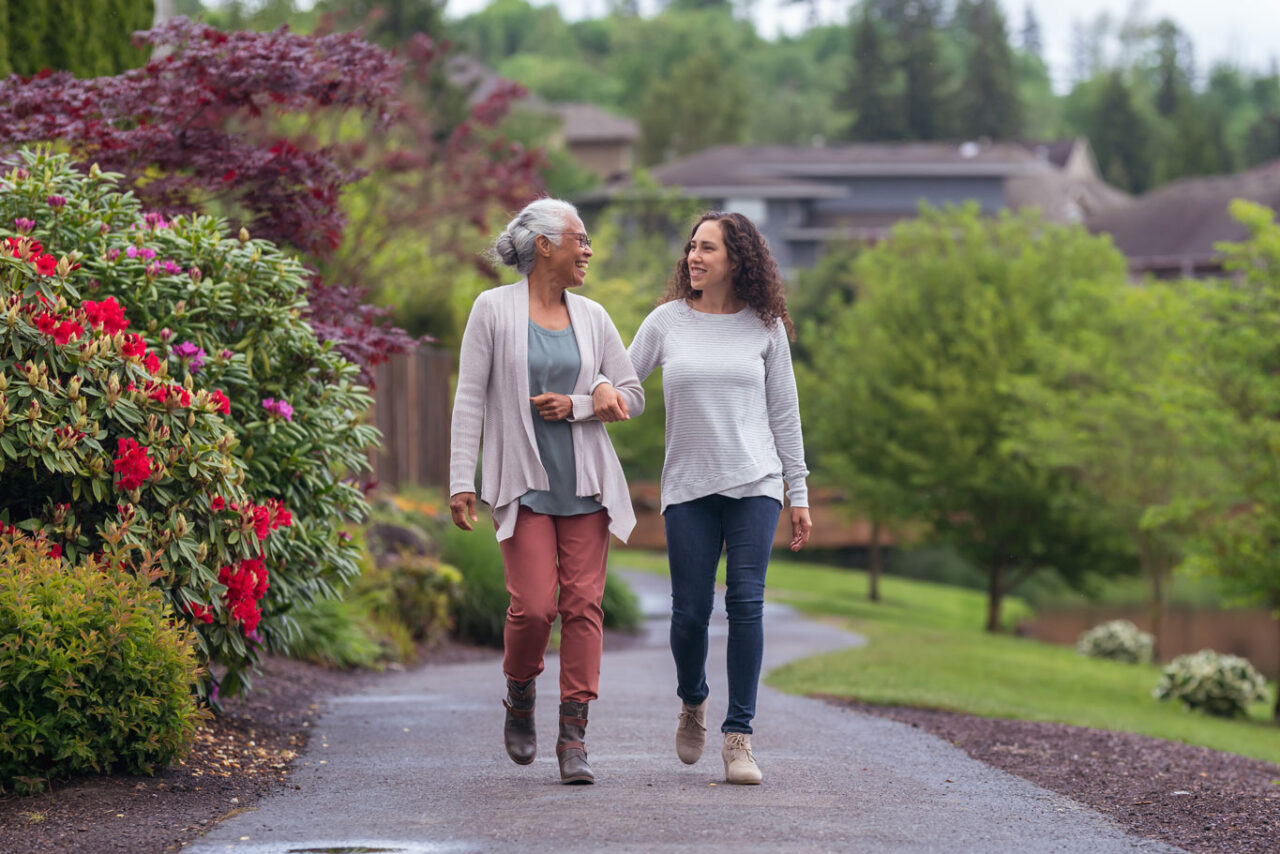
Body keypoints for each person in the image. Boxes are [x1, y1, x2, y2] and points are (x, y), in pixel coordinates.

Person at [594, 211, 812, 785]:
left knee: (746, 604)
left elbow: (784, 415)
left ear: (737, 261)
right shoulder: (667, 322)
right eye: (692, 247)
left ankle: (739, 738)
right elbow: (628, 387)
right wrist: (594, 398)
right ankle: (693, 699)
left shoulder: (766, 327)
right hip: (688, 486)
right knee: (689, 615)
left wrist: (799, 491)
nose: (694, 257)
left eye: (707, 249)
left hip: (755, 483)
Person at [448, 198, 643, 785]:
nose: (588, 250)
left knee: (583, 606)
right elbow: (469, 399)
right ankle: (520, 691)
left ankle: (574, 736)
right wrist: (462, 479)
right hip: (525, 485)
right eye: (579, 239)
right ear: (544, 245)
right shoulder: (492, 309)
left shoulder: (595, 317)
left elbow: (630, 395)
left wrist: (583, 404)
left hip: (586, 486)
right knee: (534, 608)